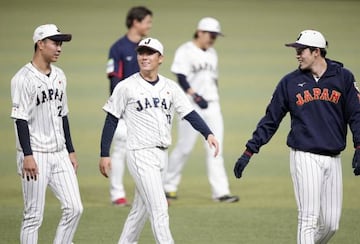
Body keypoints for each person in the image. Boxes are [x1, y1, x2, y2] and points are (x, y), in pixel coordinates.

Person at [233, 30, 360, 243]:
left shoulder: (344, 78)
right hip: (304, 157)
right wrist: (249, 151)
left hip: (333, 158)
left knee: (331, 224)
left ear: (316, 52)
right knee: (308, 219)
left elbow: (356, 114)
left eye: (301, 50)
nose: (297, 55)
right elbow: (271, 119)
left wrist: (359, 146)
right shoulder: (289, 83)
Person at [99, 37, 220, 244]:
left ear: (160, 58)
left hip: (161, 155)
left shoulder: (170, 87)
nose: (144, 57)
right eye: (141, 53)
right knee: (159, 208)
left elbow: (189, 113)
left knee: (140, 209)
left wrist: (208, 133)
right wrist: (104, 153)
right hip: (140, 153)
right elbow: (111, 120)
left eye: (150, 53)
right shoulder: (126, 86)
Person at [10, 24, 83, 244]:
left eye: (61, 44)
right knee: (33, 215)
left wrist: (70, 150)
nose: (59, 48)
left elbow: (64, 115)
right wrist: (28, 155)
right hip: (36, 154)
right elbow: (20, 118)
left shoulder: (60, 75)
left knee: (75, 208)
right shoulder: (22, 78)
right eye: (55, 43)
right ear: (40, 44)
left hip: (60, 153)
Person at [163, 17, 239, 203]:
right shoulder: (185, 50)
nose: (213, 39)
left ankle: (221, 192)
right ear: (199, 32)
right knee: (184, 147)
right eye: (211, 35)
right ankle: (168, 186)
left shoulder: (213, 53)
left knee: (215, 147)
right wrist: (194, 94)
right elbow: (180, 75)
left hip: (212, 105)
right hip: (190, 105)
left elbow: (213, 79)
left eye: (215, 36)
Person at [106, 6, 153, 206]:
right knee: (120, 149)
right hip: (124, 109)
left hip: (146, 108)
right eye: (147, 21)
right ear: (136, 22)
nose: (149, 25)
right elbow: (113, 78)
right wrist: (120, 106)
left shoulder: (148, 47)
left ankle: (148, 193)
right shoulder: (118, 48)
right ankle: (117, 194)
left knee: (148, 150)